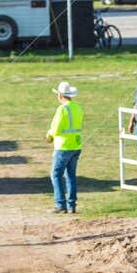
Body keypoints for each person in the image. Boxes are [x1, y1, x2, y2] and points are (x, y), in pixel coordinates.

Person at [47, 80, 83, 213]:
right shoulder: (77, 107)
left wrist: (49, 135)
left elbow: (56, 128)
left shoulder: (62, 109)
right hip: (76, 144)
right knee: (71, 175)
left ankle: (60, 204)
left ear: (60, 95)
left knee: (56, 175)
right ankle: (71, 205)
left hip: (63, 146)